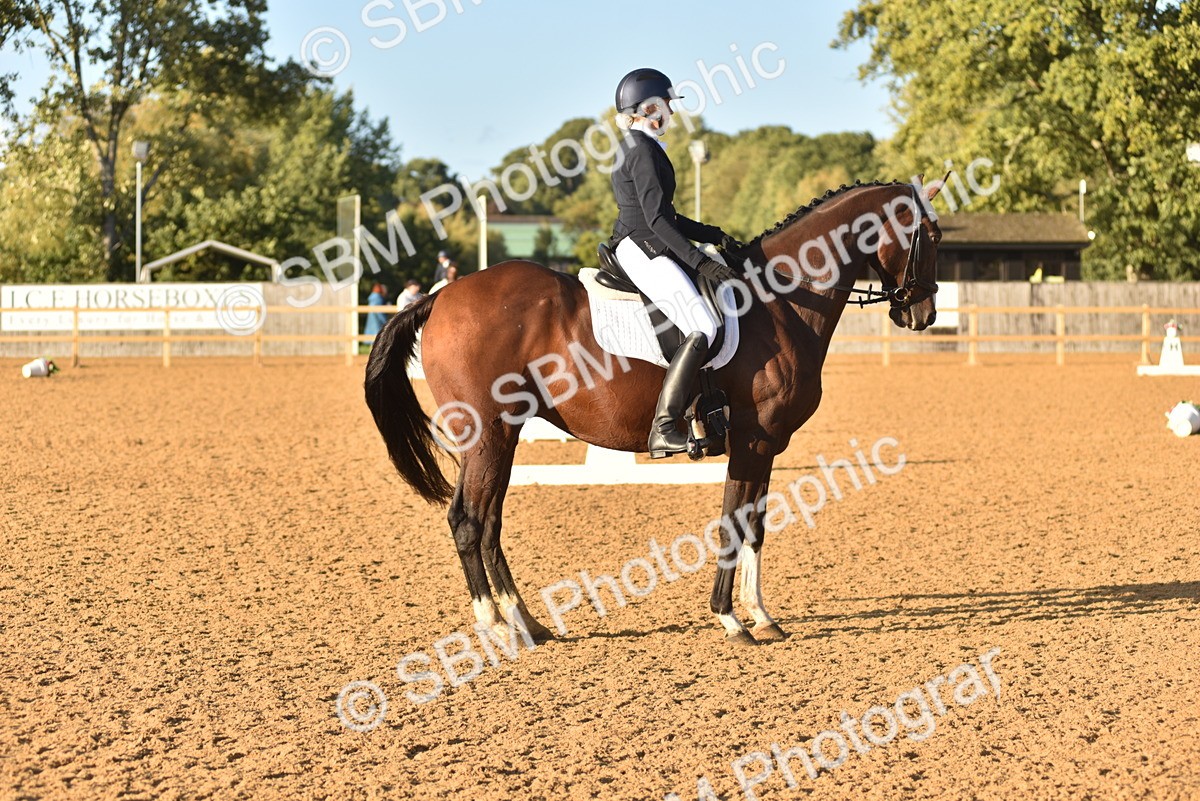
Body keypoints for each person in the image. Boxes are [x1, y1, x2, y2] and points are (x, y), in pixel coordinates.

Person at [608, 67, 743, 458]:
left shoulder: (640, 145)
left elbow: (666, 214)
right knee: (702, 324)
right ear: (648, 108)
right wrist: (702, 264)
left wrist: (710, 233)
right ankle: (665, 425)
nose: (670, 111)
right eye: (666, 104)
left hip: (645, 238)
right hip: (641, 244)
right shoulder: (642, 149)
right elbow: (657, 220)